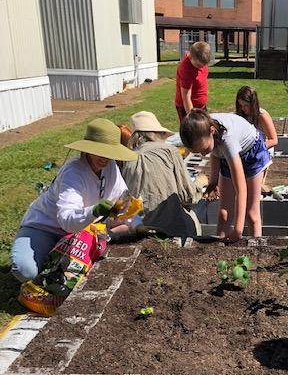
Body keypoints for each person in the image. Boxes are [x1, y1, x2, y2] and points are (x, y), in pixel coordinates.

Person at [11, 118, 137, 282]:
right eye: (100, 150)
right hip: (47, 227)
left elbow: (122, 195)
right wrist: (94, 211)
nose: (105, 157)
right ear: (88, 149)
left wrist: (127, 206)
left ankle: (57, 259)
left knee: (132, 225)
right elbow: (66, 221)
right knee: (25, 271)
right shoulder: (73, 172)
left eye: (109, 152)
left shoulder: (110, 166)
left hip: (83, 229)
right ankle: (43, 253)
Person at [179, 109, 271, 242]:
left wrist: (238, 230)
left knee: (251, 214)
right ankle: (219, 249)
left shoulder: (228, 140)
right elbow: (215, 152)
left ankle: (256, 247)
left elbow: (241, 189)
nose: (203, 154)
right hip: (229, 155)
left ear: (212, 131)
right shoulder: (205, 130)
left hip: (252, 154)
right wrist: (213, 181)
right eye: (198, 152)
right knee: (224, 214)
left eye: (204, 150)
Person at [121, 111, 203, 237]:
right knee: (192, 216)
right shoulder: (169, 151)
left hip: (137, 230)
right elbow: (188, 196)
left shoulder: (128, 159)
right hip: (171, 229)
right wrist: (200, 181)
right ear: (157, 134)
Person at [175, 41, 211, 123]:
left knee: (205, 129)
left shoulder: (200, 60)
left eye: (204, 65)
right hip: (187, 108)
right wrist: (193, 120)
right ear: (191, 57)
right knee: (192, 133)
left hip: (201, 106)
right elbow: (186, 98)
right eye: (199, 65)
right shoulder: (186, 70)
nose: (201, 67)